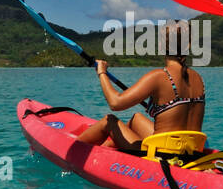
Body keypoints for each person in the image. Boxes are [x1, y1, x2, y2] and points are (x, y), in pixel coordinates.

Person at [75, 20, 205, 151]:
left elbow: (115, 103)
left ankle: (72, 150)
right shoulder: (198, 79)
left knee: (109, 121)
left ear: (161, 45)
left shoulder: (159, 76)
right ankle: (110, 147)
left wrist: (102, 72)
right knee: (136, 119)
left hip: (162, 156)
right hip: (190, 152)